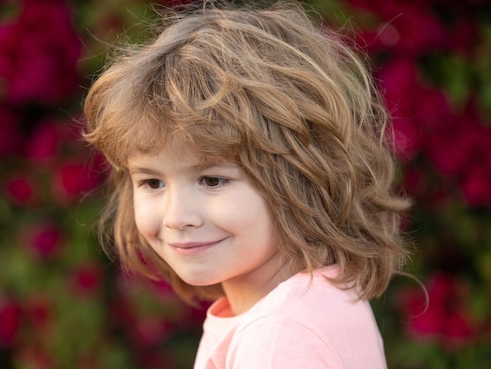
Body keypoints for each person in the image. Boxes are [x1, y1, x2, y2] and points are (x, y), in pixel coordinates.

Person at [83, 1, 411, 368]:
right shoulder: (306, 304)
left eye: (211, 180)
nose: (177, 217)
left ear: (300, 176)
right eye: (152, 182)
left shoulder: (280, 337)